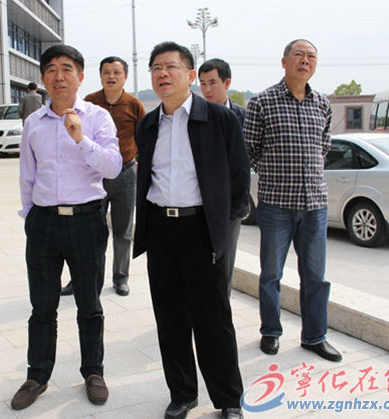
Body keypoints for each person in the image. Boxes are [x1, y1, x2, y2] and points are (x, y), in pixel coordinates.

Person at [133, 41, 249, 419]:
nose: (162, 74)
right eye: (156, 68)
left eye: (170, 66)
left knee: (213, 319)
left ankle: (229, 399)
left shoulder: (219, 119)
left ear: (189, 74)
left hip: (201, 229)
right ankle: (182, 393)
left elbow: (239, 177)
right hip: (161, 230)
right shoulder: (148, 124)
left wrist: (223, 224)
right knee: (170, 318)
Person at [12, 44, 122, 410]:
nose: (59, 76)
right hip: (43, 223)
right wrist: (30, 217)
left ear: (80, 76)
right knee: (42, 306)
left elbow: (113, 167)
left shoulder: (98, 118)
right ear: (43, 78)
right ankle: (37, 375)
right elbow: (27, 176)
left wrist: (80, 138)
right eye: (51, 70)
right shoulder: (33, 123)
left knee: (89, 304)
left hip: (87, 220)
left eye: (66, 69)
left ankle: (93, 372)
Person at [243, 39, 342, 363]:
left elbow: (323, 146)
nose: (305, 60)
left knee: (315, 277)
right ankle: (270, 331)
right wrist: (271, 172)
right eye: (298, 55)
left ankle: (315, 336)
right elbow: (249, 148)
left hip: (315, 204)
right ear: (284, 61)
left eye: (311, 56)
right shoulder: (263, 102)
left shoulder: (322, 104)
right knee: (271, 274)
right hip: (276, 204)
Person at [61, 56, 145, 297]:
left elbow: (143, 139)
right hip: (94, 174)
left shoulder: (134, 105)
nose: (111, 76)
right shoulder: (90, 102)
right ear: (100, 76)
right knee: (89, 230)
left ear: (125, 77)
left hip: (125, 173)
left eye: (116, 72)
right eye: (106, 72)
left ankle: (121, 277)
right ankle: (80, 278)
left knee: (123, 230)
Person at [198, 58, 246, 297]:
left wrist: (239, 204)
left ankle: (222, 309)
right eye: (202, 84)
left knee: (225, 263)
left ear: (227, 83)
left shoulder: (242, 117)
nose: (207, 89)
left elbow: (245, 164)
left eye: (212, 83)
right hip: (198, 202)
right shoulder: (195, 115)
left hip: (228, 204)